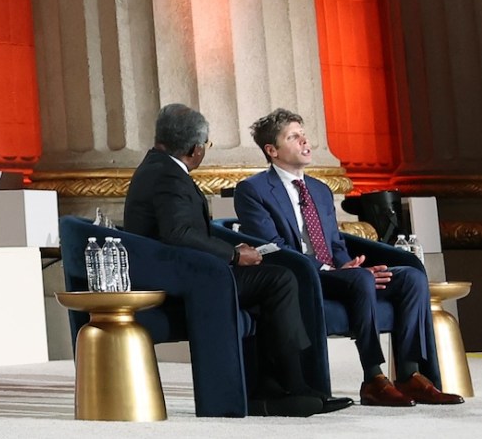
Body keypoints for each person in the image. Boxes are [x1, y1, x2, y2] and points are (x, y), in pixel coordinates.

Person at [122, 103, 345, 418]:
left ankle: (267, 388)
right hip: (183, 280)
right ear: (195, 149)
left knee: (271, 280)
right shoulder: (168, 177)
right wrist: (233, 254)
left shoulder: (159, 167)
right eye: (207, 146)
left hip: (187, 271)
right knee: (279, 280)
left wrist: (230, 249)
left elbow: (181, 231)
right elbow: (179, 234)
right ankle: (295, 385)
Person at [236, 108, 464, 408]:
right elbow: (273, 247)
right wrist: (333, 269)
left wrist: (345, 263)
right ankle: (373, 378)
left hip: (337, 274)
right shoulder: (253, 190)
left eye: (304, 134)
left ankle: (409, 375)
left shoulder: (319, 189)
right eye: (293, 137)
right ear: (272, 150)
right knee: (360, 280)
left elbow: (334, 241)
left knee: (411, 277)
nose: (305, 142)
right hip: (301, 277)